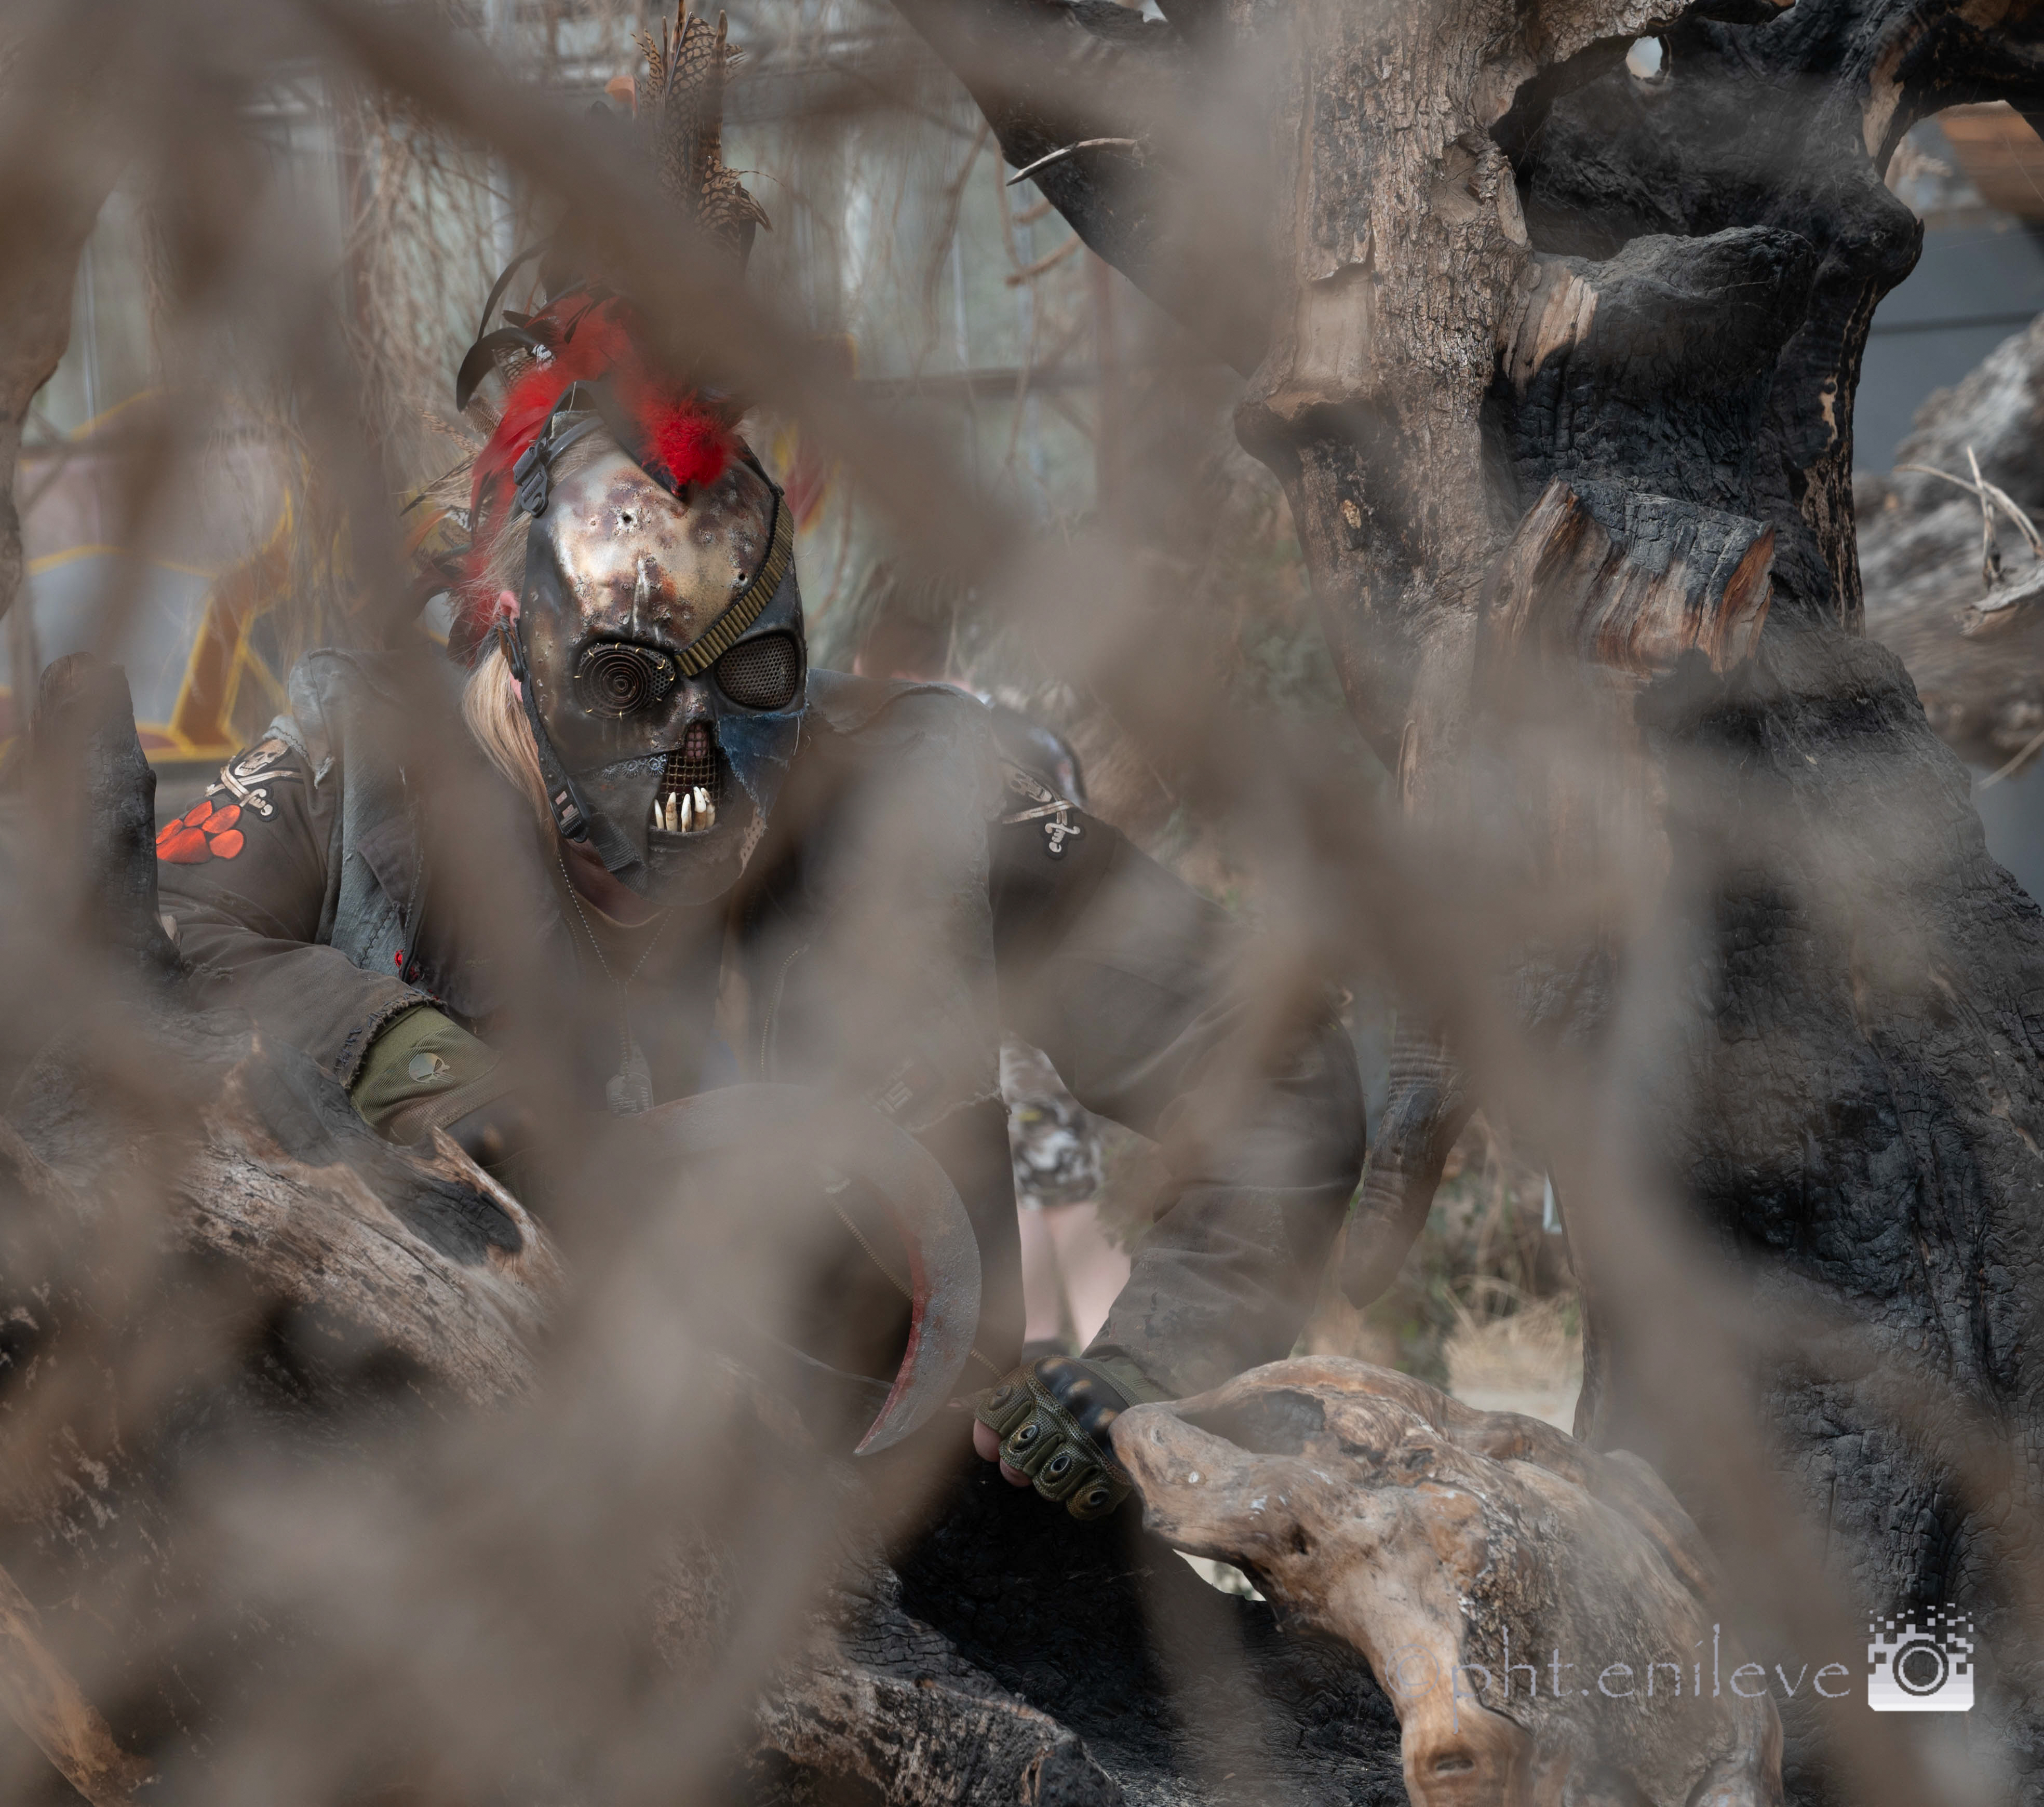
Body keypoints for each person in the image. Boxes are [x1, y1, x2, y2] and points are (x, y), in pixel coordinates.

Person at [154, 8, 1362, 1519]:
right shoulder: (360, 764)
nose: (692, 760)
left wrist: (1149, 1370)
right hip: (467, 1542)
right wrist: (401, 1056)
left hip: (902, 1545)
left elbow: (1274, 1064)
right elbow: (155, 944)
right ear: (504, 634)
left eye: (749, 689)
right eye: (629, 686)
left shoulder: (926, 795)